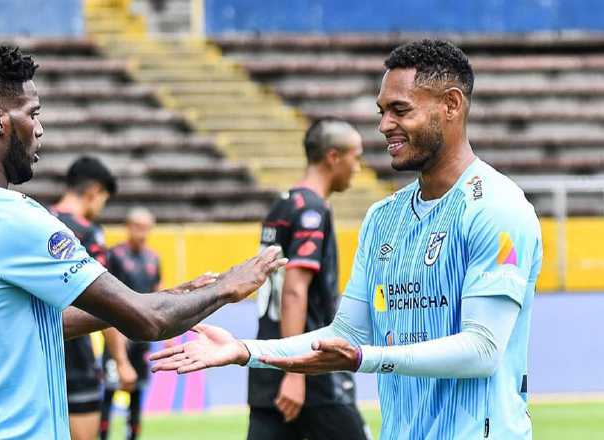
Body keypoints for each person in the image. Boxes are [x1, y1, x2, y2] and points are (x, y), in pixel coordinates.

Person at [150, 39, 543, 440]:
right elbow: (347, 335)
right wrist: (245, 351)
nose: (384, 125)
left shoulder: (497, 207)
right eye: (382, 111)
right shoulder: (382, 218)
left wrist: (362, 359)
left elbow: (482, 351)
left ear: (452, 105)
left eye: (400, 110)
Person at [0, 41, 286, 440]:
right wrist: (227, 287)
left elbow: (26, 325)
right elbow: (149, 322)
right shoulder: (10, 217)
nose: (40, 128)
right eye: (33, 114)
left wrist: (171, 293)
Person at [247, 118, 370, 440]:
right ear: (333, 156)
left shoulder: (283, 204)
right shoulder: (311, 211)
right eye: (355, 157)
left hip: (269, 361)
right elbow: (294, 290)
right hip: (309, 365)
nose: (358, 167)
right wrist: (295, 371)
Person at [50, 156, 118, 440]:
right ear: (95, 192)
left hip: (36, 354)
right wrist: (121, 360)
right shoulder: (88, 232)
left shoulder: (35, 219)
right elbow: (109, 302)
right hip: (76, 359)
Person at [99, 207, 160, 440]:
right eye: (138, 227)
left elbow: (156, 293)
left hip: (141, 339)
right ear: (128, 226)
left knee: (137, 393)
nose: (142, 233)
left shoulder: (153, 258)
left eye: (146, 228)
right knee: (110, 391)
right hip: (118, 336)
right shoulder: (114, 255)